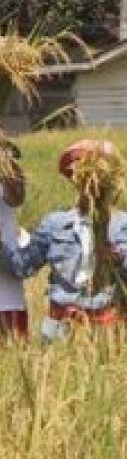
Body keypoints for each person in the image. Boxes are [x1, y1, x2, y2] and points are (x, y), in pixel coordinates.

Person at [1, 140, 127, 340]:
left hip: (108, 323)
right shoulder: (55, 223)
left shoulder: (124, 224)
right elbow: (23, 265)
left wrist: (114, 255)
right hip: (61, 323)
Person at [0, 134, 28, 339]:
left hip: (6, 296)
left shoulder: (7, 173)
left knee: (14, 357)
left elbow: (17, 196)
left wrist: (6, 160)